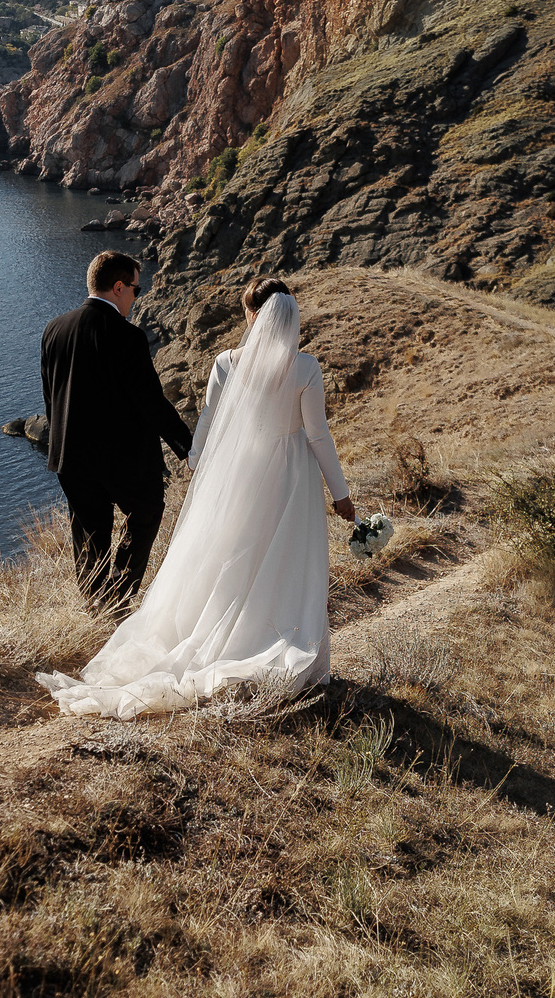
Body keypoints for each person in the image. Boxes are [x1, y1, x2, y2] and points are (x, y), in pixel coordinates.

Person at [40, 276, 358, 720]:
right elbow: (318, 435)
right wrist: (341, 495)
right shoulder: (304, 368)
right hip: (291, 475)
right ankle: (286, 648)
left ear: (253, 315)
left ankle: (216, 633)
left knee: (230, 556)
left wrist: (198, 465)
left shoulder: (226, 363)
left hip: (239, 471)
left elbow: (207, 420)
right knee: (288, 558)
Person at [40, 250, 194, 613]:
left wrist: (60, 443)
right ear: (119, 287)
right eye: (136, 291)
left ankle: (95, 607)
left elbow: (51, 397)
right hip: (122, 459)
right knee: (147, 512)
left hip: (69, 457)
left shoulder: (54, 329)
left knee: (89, 535)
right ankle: (120, 598)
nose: (136, 300)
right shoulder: (128, 337)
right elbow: (150, 401)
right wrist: (187, 446)